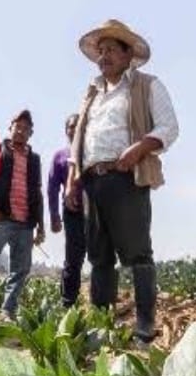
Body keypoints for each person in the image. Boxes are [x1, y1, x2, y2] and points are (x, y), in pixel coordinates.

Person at [66, 19, 179, 343]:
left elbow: (169, 127)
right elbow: (80, 141)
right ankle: (102, 327)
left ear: (129, 55)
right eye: (100, 51)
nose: (104, 56)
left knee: (138, 254)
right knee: (99, 257)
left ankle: (144, 326)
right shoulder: (92, 94)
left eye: (112, 50)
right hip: (92, 181)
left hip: (126, 177)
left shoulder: (146, 85)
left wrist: (139, 148)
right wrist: (73, 180)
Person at [0, 109, 45, 319]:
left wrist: (41, 225)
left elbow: (37, 191)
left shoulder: (34, 159)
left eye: (26, 129)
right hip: (1, 217)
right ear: (10, 128)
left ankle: (7, 312)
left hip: (26, 222)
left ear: (31, 133)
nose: (21, 131)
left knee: (20, 269)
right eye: (17, 127)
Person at [48, 113, 85, 307]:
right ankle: (68, 302)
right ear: (66, 131)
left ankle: (102, 304)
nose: (74, 129)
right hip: (72, 211)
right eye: (71, 126)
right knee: (73, 257)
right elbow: (52, 187)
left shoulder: (93, 152)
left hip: (96, 210)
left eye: (78, 125)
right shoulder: (60, 156)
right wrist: (54, 216)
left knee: (101, 255)